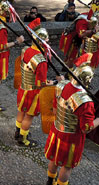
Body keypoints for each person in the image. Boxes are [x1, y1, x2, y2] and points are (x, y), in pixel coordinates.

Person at [44, 53, 99, 185]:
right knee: (67, 166)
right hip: (71, 138)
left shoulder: (61, 86)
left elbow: (56, 108)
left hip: (57, 129)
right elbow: (86, 128)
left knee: (55, 159)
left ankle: (49, 183)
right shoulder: (85, 102)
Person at [15, 18, 63, 147]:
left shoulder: (27, 50)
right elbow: (41, 82)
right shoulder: (40, 60)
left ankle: (18, 131)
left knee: (21, 111)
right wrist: (54, 82)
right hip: (33, 92)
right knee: (29, 116)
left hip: (23, 87)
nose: (48, 41)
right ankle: (23, 138)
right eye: (46, 40)